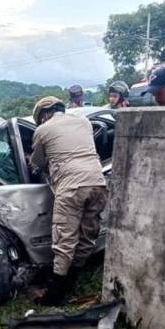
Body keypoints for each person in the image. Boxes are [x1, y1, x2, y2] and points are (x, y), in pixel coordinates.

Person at [30, 96, 108, 305]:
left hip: (71, 187)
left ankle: (55, 293)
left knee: (65, 238)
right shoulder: (84, 122)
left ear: (44, 115)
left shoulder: (43, 130)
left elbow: (37, 162)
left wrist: (45, 165)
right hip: (98, 182)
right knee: (87, 234)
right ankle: (73, 278)